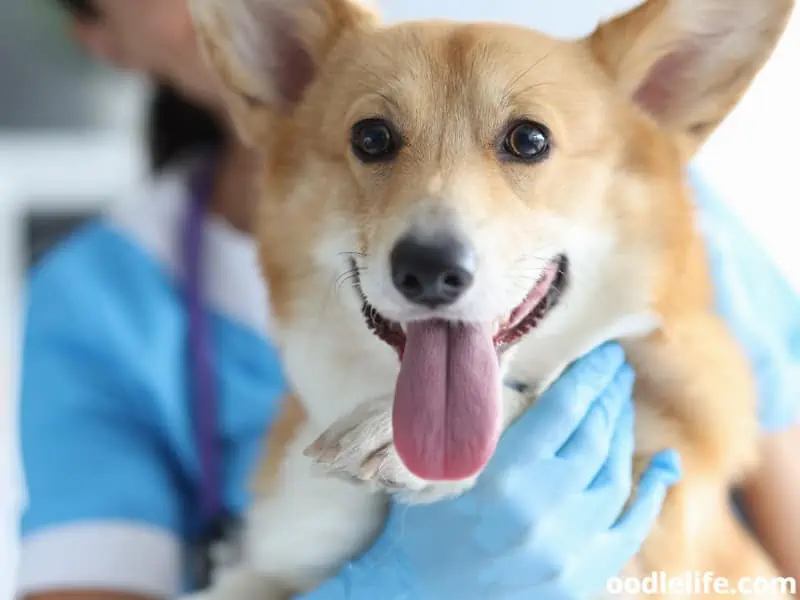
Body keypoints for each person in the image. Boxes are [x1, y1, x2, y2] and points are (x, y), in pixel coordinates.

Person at [15, 1, 799, 599]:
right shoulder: (96, 298)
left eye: (526, 141)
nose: (436, 244)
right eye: (375, 141)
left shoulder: (680, 227)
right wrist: (390, 583)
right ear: (101, 37)